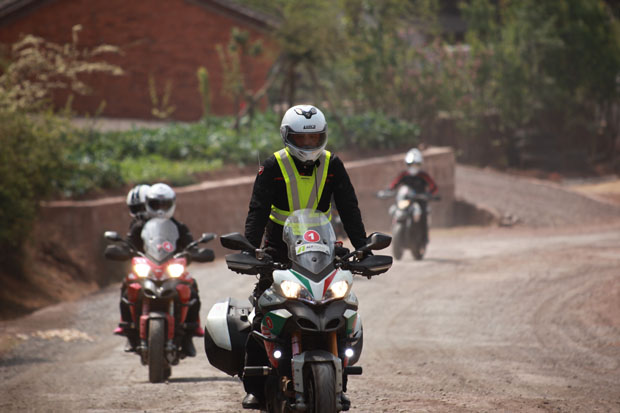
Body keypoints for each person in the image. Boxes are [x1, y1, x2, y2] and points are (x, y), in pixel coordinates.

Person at [241, 104, 369, 410]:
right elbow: (257, 210)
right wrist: (249, 248)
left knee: (339, 307)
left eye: (315, 139)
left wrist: (363, 246)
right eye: (302, 139)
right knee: (262, 312)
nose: (309, 146)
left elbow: (349, 207)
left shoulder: (333, 164)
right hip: (278, 247)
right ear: (287, 137)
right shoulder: (273, 166)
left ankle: (339, 384)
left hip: (321, 247)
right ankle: (255, 387)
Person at [115, 183, 204, 357]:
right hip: (147, 270)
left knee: (192, 287)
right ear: (148, 203)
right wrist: (123, 251)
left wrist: (193, 253)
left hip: (170, 270)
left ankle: (189, 334)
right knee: (127, 286)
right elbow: (129, 244)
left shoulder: (178, 226)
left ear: (172, 204)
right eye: (156, 205)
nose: (161, 209)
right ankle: (128, 329)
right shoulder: (139, 226)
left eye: (165, 205)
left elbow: (190, 246)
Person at [387, 148, 438, 245]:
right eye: (411, 165)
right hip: (406, 200)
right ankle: (395, 232)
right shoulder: (404, 175)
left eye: (416, 165)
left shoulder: (423, 175)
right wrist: (388, 190)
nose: (413, 167)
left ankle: (424, 238)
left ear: (420, 165)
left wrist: (430, 194)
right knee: (395, 210)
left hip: (420, 201)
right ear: (407, 165)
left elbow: (433, 187)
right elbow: (394, 184)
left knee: (423, 215)